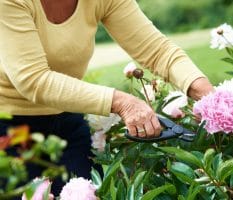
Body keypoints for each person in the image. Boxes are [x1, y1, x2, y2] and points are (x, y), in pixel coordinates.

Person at [0, 0, 214, 196]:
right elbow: (33, 79)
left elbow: (157, 51)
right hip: (8, 131)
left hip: (66, 122)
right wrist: (122, 102)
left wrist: (211, 98)